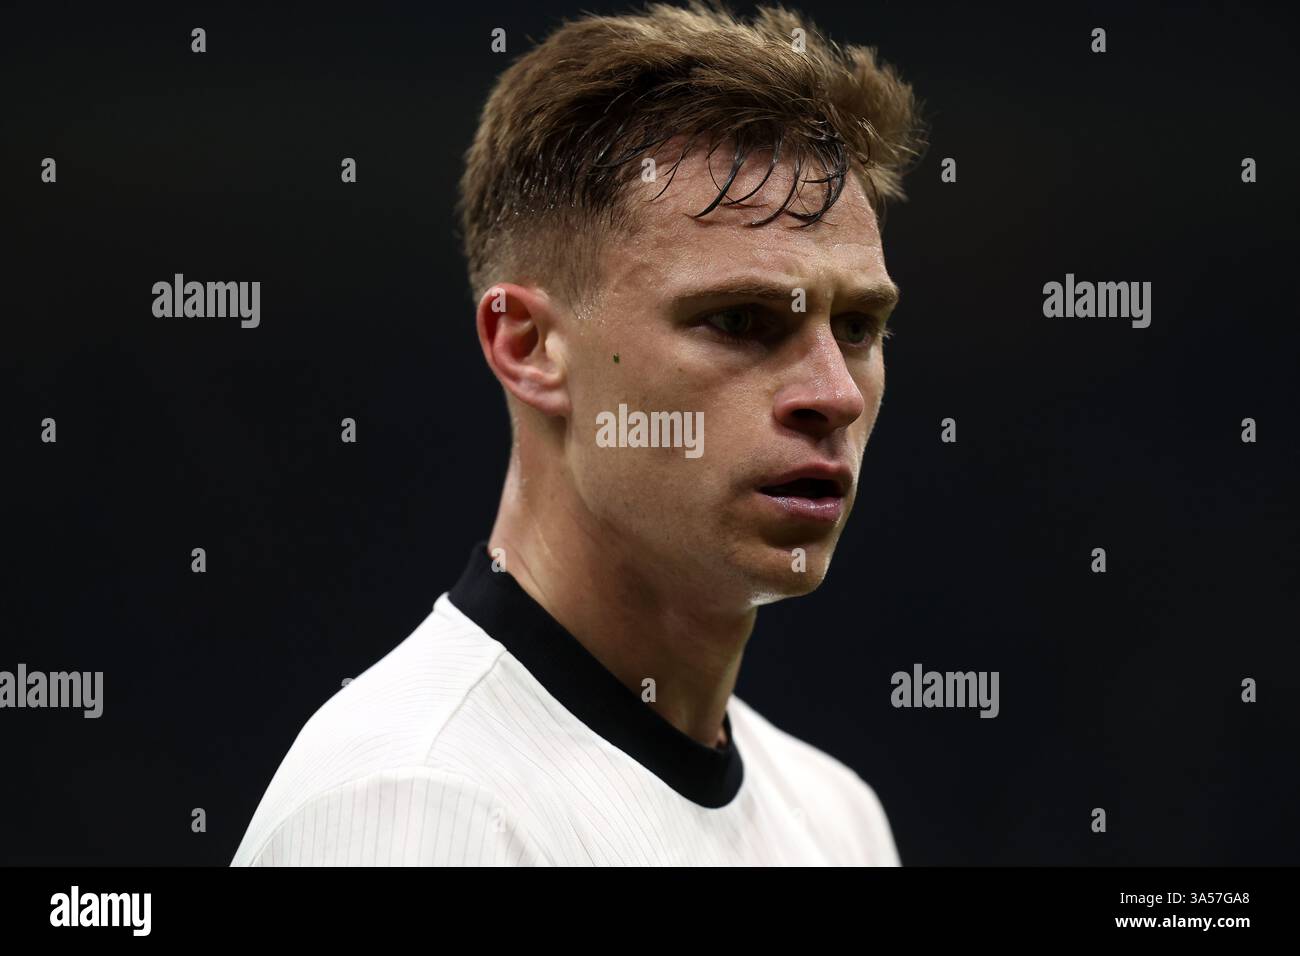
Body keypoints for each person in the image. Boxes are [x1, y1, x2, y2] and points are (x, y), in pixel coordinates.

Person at [232, 0, 925, 866]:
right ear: (528, 347)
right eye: (741, 319)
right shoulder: (420, 807)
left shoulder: (837, 820)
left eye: (858, 327)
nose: (833, 394)